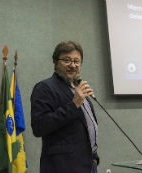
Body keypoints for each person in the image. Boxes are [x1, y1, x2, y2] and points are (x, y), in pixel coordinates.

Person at [31, 40, 99, 173]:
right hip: (63, 167)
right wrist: (74, 104)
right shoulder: (45, 87)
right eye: (67, 60)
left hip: (89, 164)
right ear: (55, 62)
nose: (73, 65)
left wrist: (94, 158)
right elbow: (39, 126)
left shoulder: (79, 89)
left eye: (76, 61)